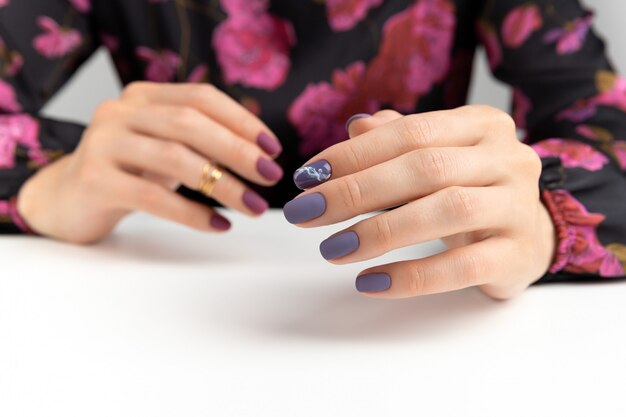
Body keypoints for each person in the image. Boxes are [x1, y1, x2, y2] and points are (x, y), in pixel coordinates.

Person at [1, 0, 625, 299]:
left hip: (426, 325)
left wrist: (541, 216)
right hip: (160, 296)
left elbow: (608, 125)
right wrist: (45, 186)